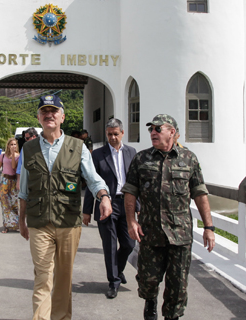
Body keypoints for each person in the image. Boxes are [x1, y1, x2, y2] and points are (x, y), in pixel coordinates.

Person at [18, 94, 112, 320]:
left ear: (62, 117)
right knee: (42, 277)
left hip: (68, 223)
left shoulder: (77, 146)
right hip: (39, 223)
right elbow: (23, 190)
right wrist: (21, 221)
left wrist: (104, 196)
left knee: (63, 278)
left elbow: (93, 179)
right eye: (44, 111)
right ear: (39, 117)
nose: (48, 115)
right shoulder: (29, 148)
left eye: (53, 111)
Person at [122, 114, 215, 320]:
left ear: (171, 132)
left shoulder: (189, 159)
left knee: (178, 285)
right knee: (148, 280)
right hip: (150, 232)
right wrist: (131, 221)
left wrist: (209, 227)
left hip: (179, 234)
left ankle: (171, 316)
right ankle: (150, 302)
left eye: (157, 129)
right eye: (151, 130)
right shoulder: (141, 158)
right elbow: (130, 192)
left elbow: (199, 193)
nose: (153, 133)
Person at [82, 118, 139, 299]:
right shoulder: (98, 155)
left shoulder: (132, 152)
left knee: (130, 243)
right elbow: (92, 182)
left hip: (127, 204)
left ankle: (118, 269)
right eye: (109, 134)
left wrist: (138, 206)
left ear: (122, 133)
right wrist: (87, 210)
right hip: (105, 204)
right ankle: (113, 282)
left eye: (116, 134)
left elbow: (136, 181)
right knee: (110, 245)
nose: (113, 137)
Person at [0, 138, 20, 233]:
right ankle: (6, 225)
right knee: (5, 203)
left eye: (15, 144)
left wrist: (13, 155)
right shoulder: (3, 156)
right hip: (4, 180)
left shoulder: (19, 156)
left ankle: (16, 225)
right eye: (11, 144)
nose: (13, 146)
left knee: (14, 203)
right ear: (8, 146)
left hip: (13, 181)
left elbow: (13, 166)